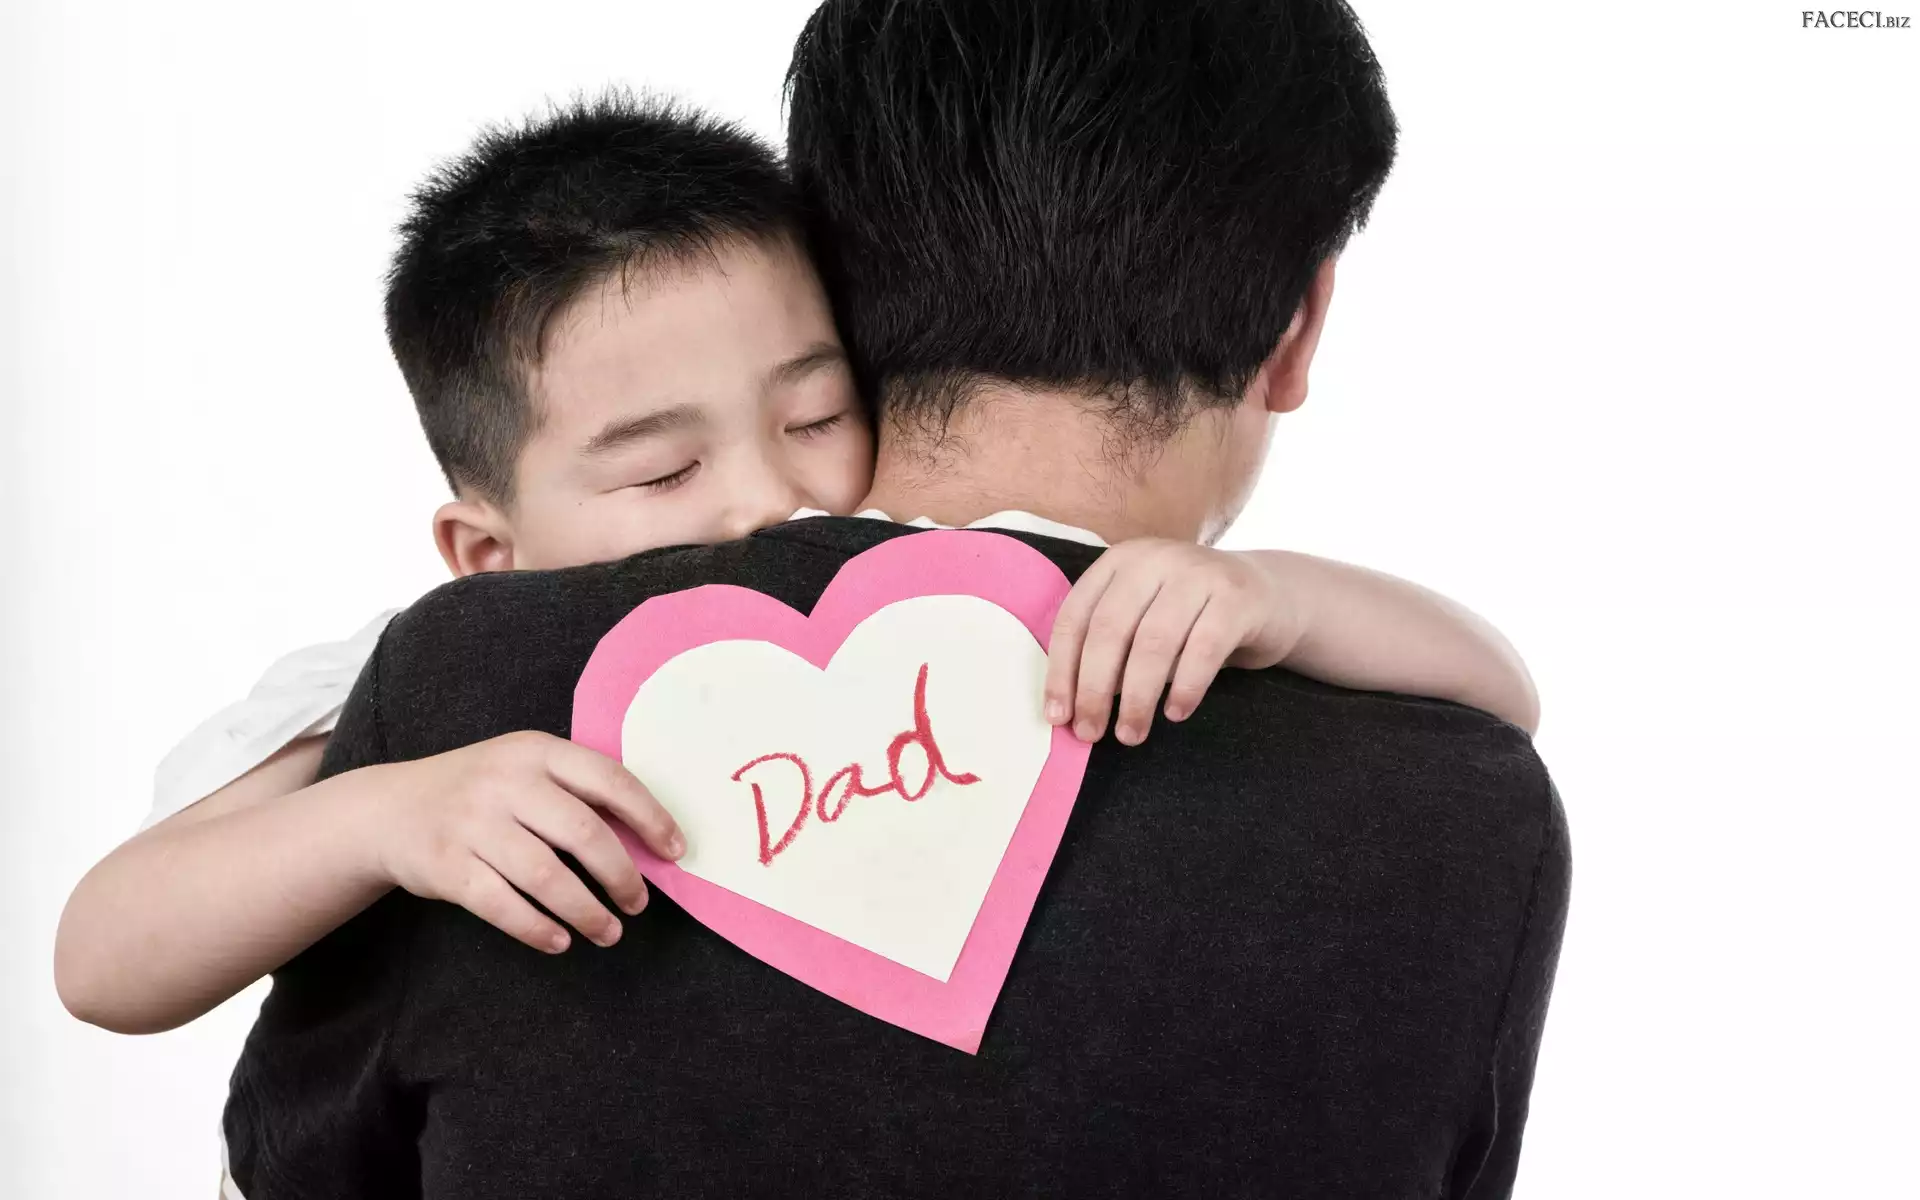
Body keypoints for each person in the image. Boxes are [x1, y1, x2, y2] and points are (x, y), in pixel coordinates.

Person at [54, 88, 1538, 1037]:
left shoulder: (955, 605)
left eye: (817, 416)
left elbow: (1500, 694)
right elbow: (104, 958)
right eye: (663, 471)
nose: (767, 500)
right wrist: (388, 814)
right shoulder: (412, 686)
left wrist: (1278, 597)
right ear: (484, 552)